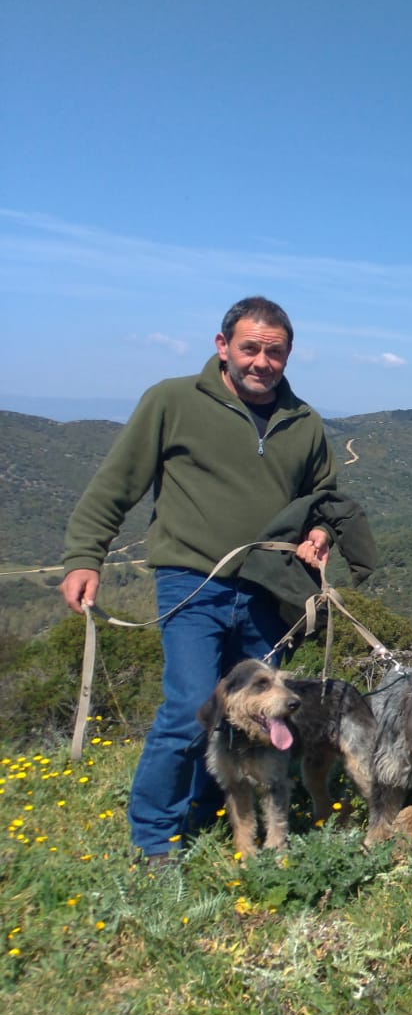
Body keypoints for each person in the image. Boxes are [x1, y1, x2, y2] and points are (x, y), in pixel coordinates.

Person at [61, 298, 336, 867]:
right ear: (222, 346)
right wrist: (86, 556)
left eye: (275, 352)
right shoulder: (172, 400)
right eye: (249, 348)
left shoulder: (304, 421)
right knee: (193, 708)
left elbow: (325, 498)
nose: (261, 362)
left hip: (268, 589)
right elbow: (116, 484)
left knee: (258, 717)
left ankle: (209, 817)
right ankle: (154, 840)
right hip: (191, 584)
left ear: (289, 356)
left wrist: (319, 531)